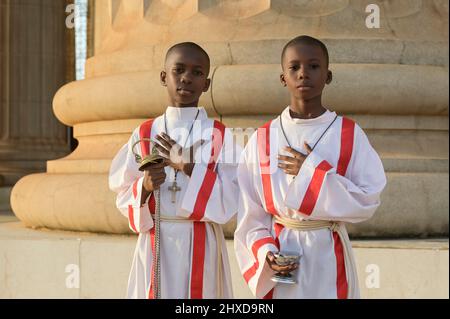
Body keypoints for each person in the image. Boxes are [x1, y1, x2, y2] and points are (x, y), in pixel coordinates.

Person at [234, 35, 387, 299]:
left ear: (328, 75)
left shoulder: (348, 133)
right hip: (283, 250)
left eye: (314, 67)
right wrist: (265, 252)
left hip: (328, 247)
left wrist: (313, 173)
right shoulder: (262, 138)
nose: (304, 73)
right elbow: (251, 213)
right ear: (283, 78)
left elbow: (368, 199)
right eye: (294, 67)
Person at [109, 42, 239, 299]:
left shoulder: (219, 135)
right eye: (178, 70)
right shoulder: (145, 133)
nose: (186, 78)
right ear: (163, 76)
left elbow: (233, 197)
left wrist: (187, 166)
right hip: (157, 240)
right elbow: (122, 190)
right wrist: (144, 187)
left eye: (197, 72)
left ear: (207, 83)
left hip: (202, 241)